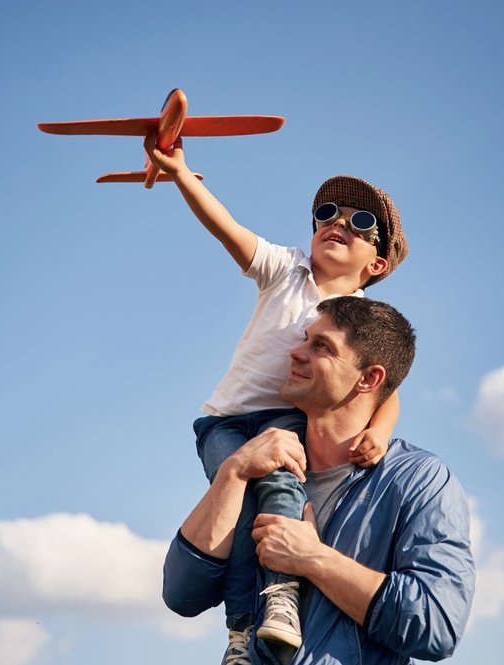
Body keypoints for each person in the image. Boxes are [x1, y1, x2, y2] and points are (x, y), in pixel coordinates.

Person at [144, 134, 410, 661]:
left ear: (377, 264)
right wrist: (180, 173)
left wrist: (378, 434)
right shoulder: (285, 269)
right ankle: (243, 626)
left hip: (286, 418)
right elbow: (226, 228)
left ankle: (277, 601)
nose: (338, 223)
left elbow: (387, 390)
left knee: (281, 495)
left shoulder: (361, 320)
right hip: (226, 422)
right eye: (328, 213)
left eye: (360, 224)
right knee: (240, 504)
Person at [163, 297, 475, 665]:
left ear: (369, 378)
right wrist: (233, 473)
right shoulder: (259, 466)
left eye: (321, 346)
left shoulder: (420, 481)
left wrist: (312, 558)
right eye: (305, 339)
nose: (296, 352)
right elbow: (182, 595)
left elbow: (436, 626)